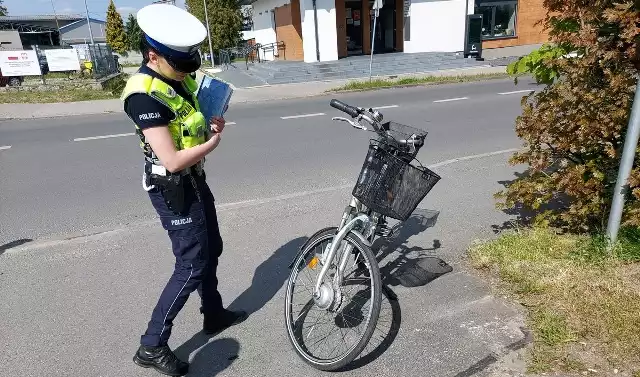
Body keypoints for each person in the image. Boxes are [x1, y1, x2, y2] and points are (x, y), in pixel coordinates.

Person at [120, 4, 247, 376]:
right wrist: (213, 142)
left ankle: (213, 313)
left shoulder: (178, 77)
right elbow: (172, 160)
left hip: (195, 179)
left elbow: (194, 116)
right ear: (153, 56)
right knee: (191, 263)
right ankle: (152, 345)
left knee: (212, 248)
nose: (184, 72)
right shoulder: (143, 95)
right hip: (172, 185)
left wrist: (211, 121)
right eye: (179, 65)